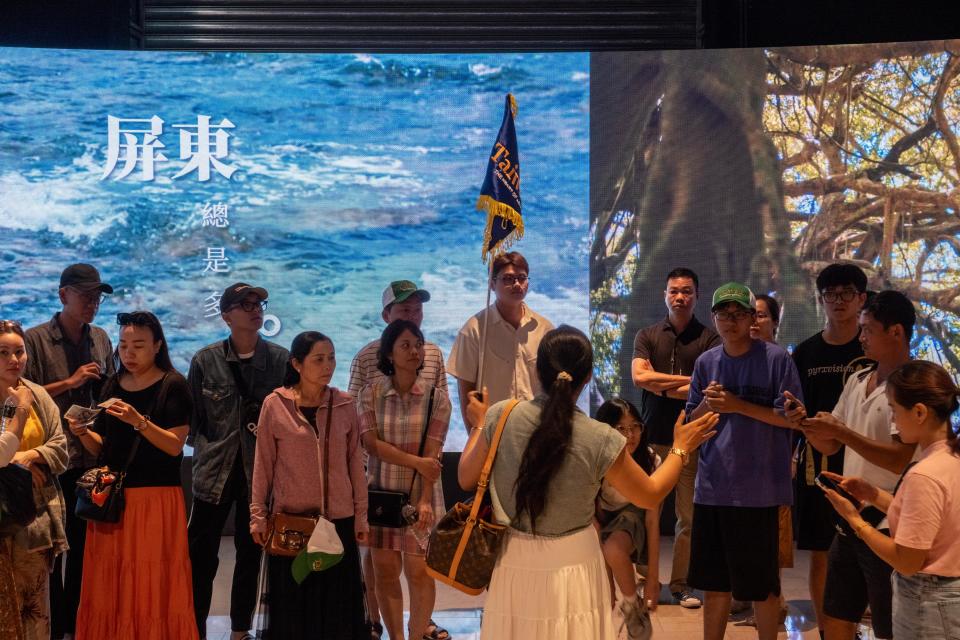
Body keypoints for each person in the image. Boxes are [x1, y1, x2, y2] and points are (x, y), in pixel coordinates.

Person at [459, 326, 717, 639]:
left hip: (513, 560)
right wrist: (680, 447)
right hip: (575, 564)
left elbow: (465, 477)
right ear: (589, 375)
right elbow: (650, 495)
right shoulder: (600, 437)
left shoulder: (501, 415)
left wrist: (478, 424)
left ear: (537, 369)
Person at [785, 290, 918, 640]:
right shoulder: (858, 380)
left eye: (868, 330)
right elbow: (829, 443)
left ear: (897, 332)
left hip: (894, 522)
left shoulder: (914, 386)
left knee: (890, 625)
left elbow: (899, 457)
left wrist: (843, 433)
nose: (861, 338)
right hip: (851, 520)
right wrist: (804, 424)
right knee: (836, 618)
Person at [685, 282, 804, 640]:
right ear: (713, 318)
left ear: (753, 318)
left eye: (739, 314)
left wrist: (739, 405)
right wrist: (710, 403)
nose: (731, 321)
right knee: (715, 585)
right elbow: (691, 424)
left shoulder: (776, 359)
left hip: (760, 492)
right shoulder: (706, 363)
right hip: (713, 489)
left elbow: (791, 418)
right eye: (724, 314)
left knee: (762, 587)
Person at [71, 311, 197, 639]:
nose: (129, 353)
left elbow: (174, 446)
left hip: (155, 500)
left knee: (153, 578)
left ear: (157, 345)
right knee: (109, 578)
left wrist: (138, 420)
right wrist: (82, 432)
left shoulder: (174, 385)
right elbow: (104, 449)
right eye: (124, 345)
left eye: (138, 345)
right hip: (111, 499)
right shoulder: (113, 383)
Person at [820, 360, 960, 640]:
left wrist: (855, 521)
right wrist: (874, 495)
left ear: (919, 412)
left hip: (929, 602)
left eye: (895, 410)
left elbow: (907, 560)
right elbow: (928, 521)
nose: (893, 420)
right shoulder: (950, 458)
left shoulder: (924, 474)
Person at [347, 279, 449, 640]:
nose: (413, 314)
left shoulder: (435, 356)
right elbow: (361, 432)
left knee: (421, 571)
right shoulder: (365, 365)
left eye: (417, 308)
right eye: (405, 309)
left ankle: (420, 627)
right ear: (386, 315)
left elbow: (434, 440)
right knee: (381, 566)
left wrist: (423, 477)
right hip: (380, 484)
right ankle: (377, 622)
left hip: (423, 484)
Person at [187, 282, 289, 640]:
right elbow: (195, 422)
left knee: (250, 556)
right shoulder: (204, 360)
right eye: (245, 304)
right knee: (200, 560)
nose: (255, 309)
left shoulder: (279, 360)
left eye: (259, 302)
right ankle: (194, 629)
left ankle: (240, 631)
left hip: (259, 473)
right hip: (213, 473)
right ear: (227, 315)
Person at [250, 331, 368, 639]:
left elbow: (356, 463)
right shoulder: (275, 405)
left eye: (331, 357)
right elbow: (263, 465)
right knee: (295, 613)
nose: (327, 365)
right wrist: (257, 516)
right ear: (297, 364)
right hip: (293, 525)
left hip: (337, 522)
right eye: (318, 359)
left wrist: (361, 515)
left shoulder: (345, 404)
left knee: (337, 612)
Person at [23, 263, 114, 639]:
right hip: (50, 460)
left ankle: (77, 625)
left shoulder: (103, 339)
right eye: (85, 295)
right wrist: (71, 382)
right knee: (48, 551)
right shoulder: (35, 339)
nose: (93, 302)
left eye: (97, 296)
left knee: (85, 549)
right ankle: (53, 625)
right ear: (63, 295)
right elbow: (23, 394)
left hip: (91, 459)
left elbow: (112, 388)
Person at [631, 267, 720, 608]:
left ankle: (682, 585)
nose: (680, 297)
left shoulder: (709, 339)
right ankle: (646, 581)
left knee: (688, 519)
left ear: (696, 295)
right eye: (673, 291)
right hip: (652, 437)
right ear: (664, 295)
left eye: (686, 291)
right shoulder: (648, 334)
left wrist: (660, 383)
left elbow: (708, 390)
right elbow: (639, 378)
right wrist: (684, 385)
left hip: (692, 439)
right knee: (644, 511)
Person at [789, 263, 868, 639]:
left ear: (861, 299)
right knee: (821, 552)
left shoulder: (871, 348)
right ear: (821, 299)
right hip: (815, 467)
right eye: (831, 295)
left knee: (867, 546)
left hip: (866, 466)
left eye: (846, 294)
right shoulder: (805, 352)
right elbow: (792, 412)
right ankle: (826, 632)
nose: (838, 301)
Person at [0, 320, 68, 640]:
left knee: (35, 605)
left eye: (19, 351)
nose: (15, 359)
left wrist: (31, 456)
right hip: (1, 517)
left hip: (33, 518)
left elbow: (60, 446)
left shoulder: (37, 394)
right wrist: (17, 463)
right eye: (4, 352)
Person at [447, 251, 554, 428]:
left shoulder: (544, 329)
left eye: (522, 278)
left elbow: (552, 388)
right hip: (493, 431)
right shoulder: (474, 330)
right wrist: (475, 437)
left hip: (536, 430)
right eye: (508, 279)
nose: (517, 284)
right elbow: (466, 391)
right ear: (491, 284)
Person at [594, 398, 662, 640]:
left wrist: (653, 578)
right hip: (597, 518)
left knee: (613, 548)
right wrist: (608, 582)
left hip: (634, 516)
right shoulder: (595, 458)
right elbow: (592, 516)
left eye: (635, 426)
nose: (630, 434)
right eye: (621, 428)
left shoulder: (651, 460)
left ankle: (633, 606)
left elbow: (653, 522)